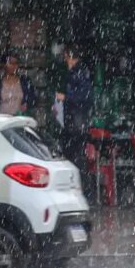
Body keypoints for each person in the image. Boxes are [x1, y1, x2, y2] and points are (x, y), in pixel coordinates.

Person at [56, 44, 94, 201]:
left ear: (70, 57)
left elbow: (85, 96)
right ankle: (78, 190)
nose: (65, 60)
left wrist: (66, 98)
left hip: (76, 119)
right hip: (73, 119)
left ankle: (80, 190)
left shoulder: (79, 72)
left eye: (66, 57)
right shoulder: (76, 72)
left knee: (75, 155)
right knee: (74, 153)